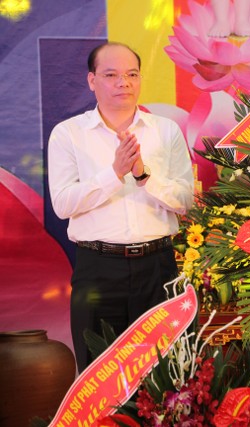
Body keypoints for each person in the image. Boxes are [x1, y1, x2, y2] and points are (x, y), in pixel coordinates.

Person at [48, 42, 194, 372]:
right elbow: (63, 204)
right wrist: (114, 174)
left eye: (131, 74)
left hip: (158, 267)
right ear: (92, 80)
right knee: (99, 374)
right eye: (111, 75)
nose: (123, 83)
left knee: (165, 373)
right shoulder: (69, 134)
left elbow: (185, 200)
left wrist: (143, 175)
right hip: (97, 268)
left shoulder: (165, 130)